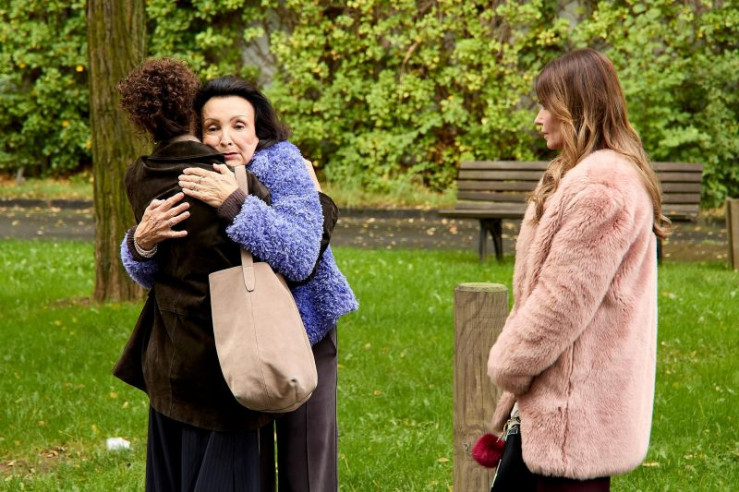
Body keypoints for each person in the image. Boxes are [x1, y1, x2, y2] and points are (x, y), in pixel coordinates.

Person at [121, 75, 357, 492]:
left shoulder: (283, 164)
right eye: (212, 127)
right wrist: (141, 243)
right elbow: (158, 273)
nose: (226, 138)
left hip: (303, 329)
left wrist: (234, 203)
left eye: (238, 125)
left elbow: (301, 256)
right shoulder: (194, 172)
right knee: (250, 465)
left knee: (305, 465)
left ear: (258, 130)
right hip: (237, 338)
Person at [486, 48, 667, 491]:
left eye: (547, 106)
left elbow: (562, 300)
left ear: (577, 109)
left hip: (571, 413)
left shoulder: (601, 187)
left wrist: (510, 362)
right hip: (564, 407)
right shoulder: (580, 175)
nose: (538, 118)